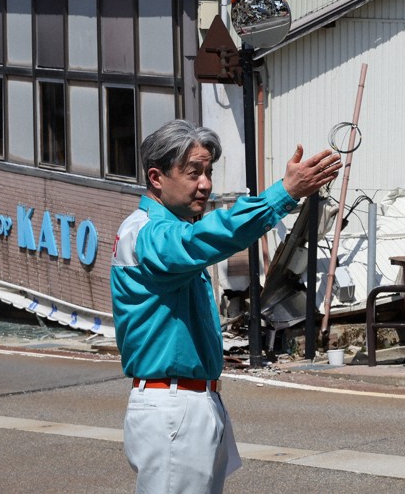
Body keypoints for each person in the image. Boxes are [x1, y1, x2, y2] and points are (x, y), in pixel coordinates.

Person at [111, 119, 340, 493]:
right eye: (192, 172)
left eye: (208, 171)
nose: (205, 183)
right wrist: (282, 194)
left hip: (188, 400)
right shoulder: (147, 233)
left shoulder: (161, 229)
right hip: (173, 404)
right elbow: (207, 237)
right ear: (156, 177)